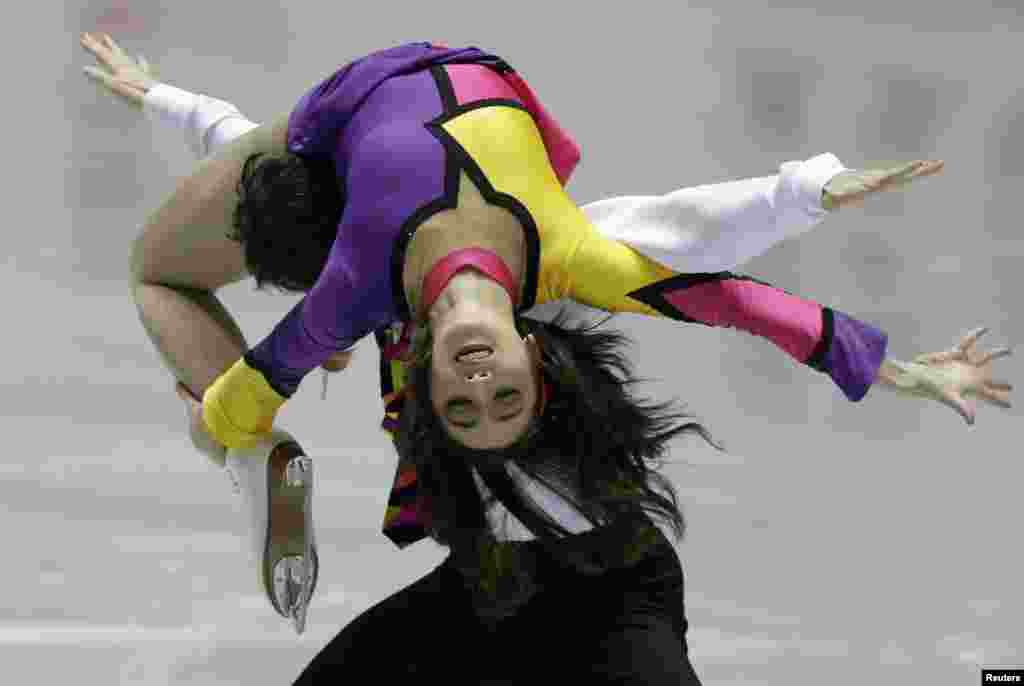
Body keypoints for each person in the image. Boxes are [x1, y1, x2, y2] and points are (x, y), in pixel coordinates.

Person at [80, 32, 1012, 657]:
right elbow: (753, 307)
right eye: (506, 400)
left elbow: (244, 382)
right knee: (254, 272)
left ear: (425, 378)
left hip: (355, 99)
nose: (481, 384)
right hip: (482, 88)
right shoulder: (572, 260)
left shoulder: (353, 285)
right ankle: (257, 447)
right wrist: (909, 369)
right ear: (537, 356)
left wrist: (232, 436)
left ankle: (256, 466)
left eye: (461, 405)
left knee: (170, 266)